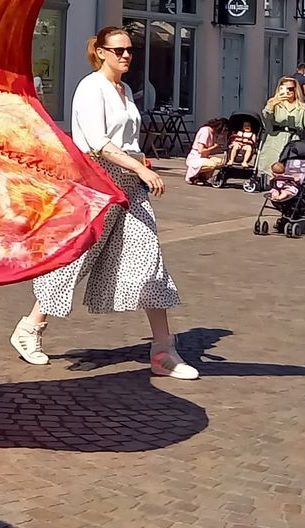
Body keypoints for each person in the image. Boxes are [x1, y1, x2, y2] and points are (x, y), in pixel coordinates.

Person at [11, 26, 197, 380]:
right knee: (78, 257)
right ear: (100, 52)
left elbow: (126, 140)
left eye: (129, 50)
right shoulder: (90, 88)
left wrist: (140, 163)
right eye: (119, 50)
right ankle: (30, 328)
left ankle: (162, 350)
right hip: (98, 183)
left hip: (129, 185)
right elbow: (98, 143)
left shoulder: (124, 90)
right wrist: (139, 169)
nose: (126, 56)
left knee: (149, 259)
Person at [262, 78, 305, 184]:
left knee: (290, 172)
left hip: (293, 141)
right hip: (275, 140)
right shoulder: (274, 103)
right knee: (273, 170)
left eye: (291, 89)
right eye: (284, 88)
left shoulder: (301, 107)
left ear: (295, 90)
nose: (288, 91)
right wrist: (271, 106)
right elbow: (267, 120)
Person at [184, 117, 229, 185]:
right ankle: (193, 176)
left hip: (203, 157)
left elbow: (209, 150)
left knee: (221, 162)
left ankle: (203, 177)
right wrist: (214, 146)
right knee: (212, 164)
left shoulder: (212, 133)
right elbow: (201, 150)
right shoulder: (205, 131)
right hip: (196, 157)